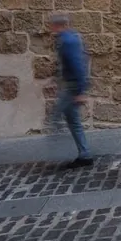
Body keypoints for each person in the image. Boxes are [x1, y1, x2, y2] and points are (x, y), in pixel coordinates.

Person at [48, 13, 94, 167]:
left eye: (52, 25)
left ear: (57, 26)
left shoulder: (68, 41)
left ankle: (84, 154)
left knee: (60, 116)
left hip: (73, 86)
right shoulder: (72, 37)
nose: (51, 28)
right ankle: (84, 154)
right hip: (72, 84)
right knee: (72, 120)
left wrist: (81, 91)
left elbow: (77, 64)